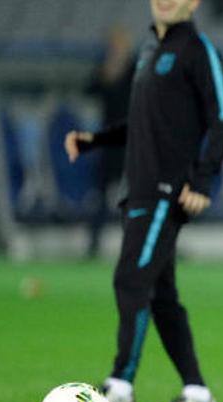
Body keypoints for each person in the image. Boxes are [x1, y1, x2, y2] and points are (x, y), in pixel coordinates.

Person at [63, 0, 223, 402]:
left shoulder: (197, 49)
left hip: (164, 191)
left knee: (131, 279)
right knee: (161, 295)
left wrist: (201, 179)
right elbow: (141, 123)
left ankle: (119, 385)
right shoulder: (150, 50)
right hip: (137, 188)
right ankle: (197, 392)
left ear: (194, 3)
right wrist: (94, 140)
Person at [83, 24, 135, 258]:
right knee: (102, 195)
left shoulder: (135, 70)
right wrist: (107, 72)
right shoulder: (104, 71)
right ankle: (94, 243)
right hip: (109, 143)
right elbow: (89, 89)